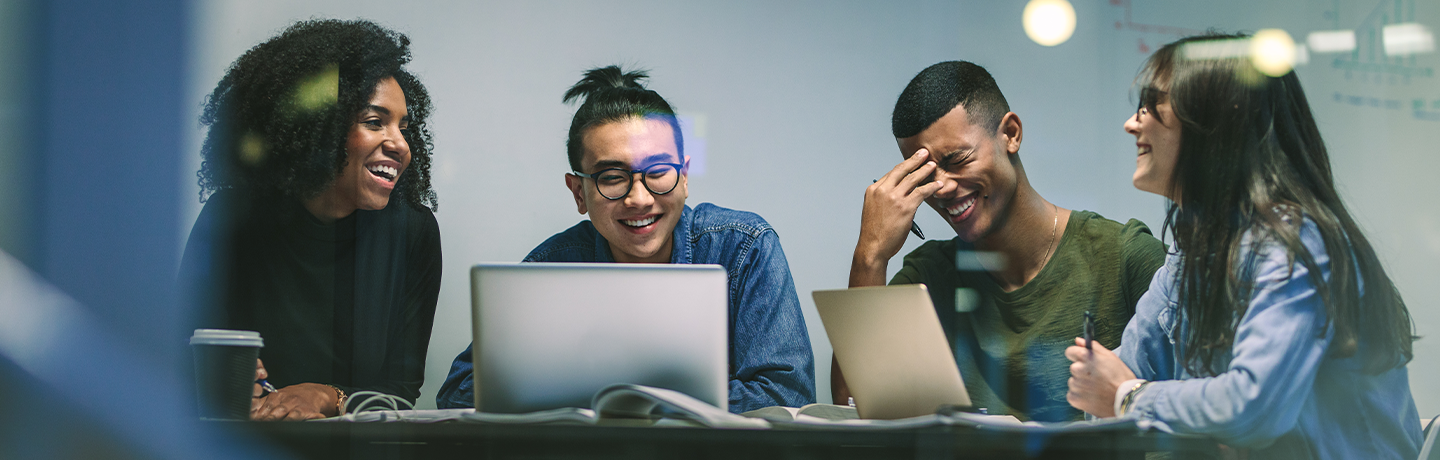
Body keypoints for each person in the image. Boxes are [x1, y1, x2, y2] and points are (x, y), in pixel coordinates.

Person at [1065, 33, 1421, 458]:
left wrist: (1130, 396)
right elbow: (1103, 395)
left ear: (1213, 121)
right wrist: (1116, 391)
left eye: (1151, 104)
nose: (1132, 123)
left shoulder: (1296, 242)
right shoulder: (1192, 251)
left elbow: (1251, 407)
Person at [437, 66, 814, 413]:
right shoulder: (553, 266)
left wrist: (612, 400)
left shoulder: (744, 247)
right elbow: (459, 392)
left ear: (683, 175)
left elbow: (787, 395)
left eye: (658, 171)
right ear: (579, 192)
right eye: (612, 177)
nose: (639, 198)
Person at [833, 61, 1166, 422]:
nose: (942, 187)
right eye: (925, 174)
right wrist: (870, 255)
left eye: (957, 160)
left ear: (1010, 134)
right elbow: (855, 412)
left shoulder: (1126, 257)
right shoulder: (931, 274)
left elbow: (1191, 426)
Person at [180, 19, 442, 421]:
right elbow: (182, 351)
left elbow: (400, 392)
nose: (400, 144)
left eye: (403, 127)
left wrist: (325, 395)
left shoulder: (411, 232)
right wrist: (220, 380)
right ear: (318, 130)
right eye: (375, 122)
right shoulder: (234, 218)